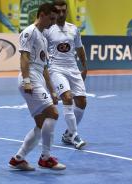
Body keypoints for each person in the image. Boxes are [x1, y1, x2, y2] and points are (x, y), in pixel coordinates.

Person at [9, 3, 66, 170]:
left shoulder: (42, 36)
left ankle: (18, 158)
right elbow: (24, 58)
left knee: (41, 124)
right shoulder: (29, 32)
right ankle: (46, 158)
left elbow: (45, 67)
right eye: (51, 18)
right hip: (30, 79)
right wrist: (27, 81)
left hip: (38, 78)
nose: (53, 23)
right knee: (53, 113)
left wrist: (52, 90)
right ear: (42, 15)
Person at [43, 0, 87, 149]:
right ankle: (75, 135)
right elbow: (41, 51)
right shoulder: (48, 30)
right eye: (58, 11)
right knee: (67, 98)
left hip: (73, 69)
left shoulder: (74, 29)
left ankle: (68, 134)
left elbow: (80, 48)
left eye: (64, 11)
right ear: (53, 12)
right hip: (57, 69)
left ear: (66, 11)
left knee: (82, 102)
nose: (61, 14)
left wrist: (85, 67)